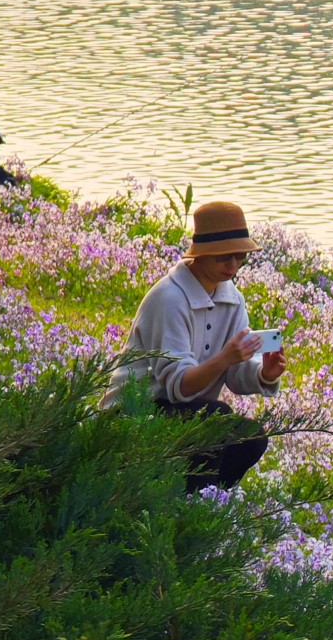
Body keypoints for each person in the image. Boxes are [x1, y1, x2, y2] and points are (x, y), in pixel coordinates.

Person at [119, 201, 285, 493]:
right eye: (224, 256)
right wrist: (224, 358)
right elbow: (178, 387)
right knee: (213, 417)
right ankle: (191, 500)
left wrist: (264, 374)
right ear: (201, 254)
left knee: (252, 439)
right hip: (136, 410)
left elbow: (235, 374)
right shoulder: (169, 298)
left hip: (190, 411)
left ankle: (206, 500)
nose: (232, 265)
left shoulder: (233, 299)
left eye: (240, 256)